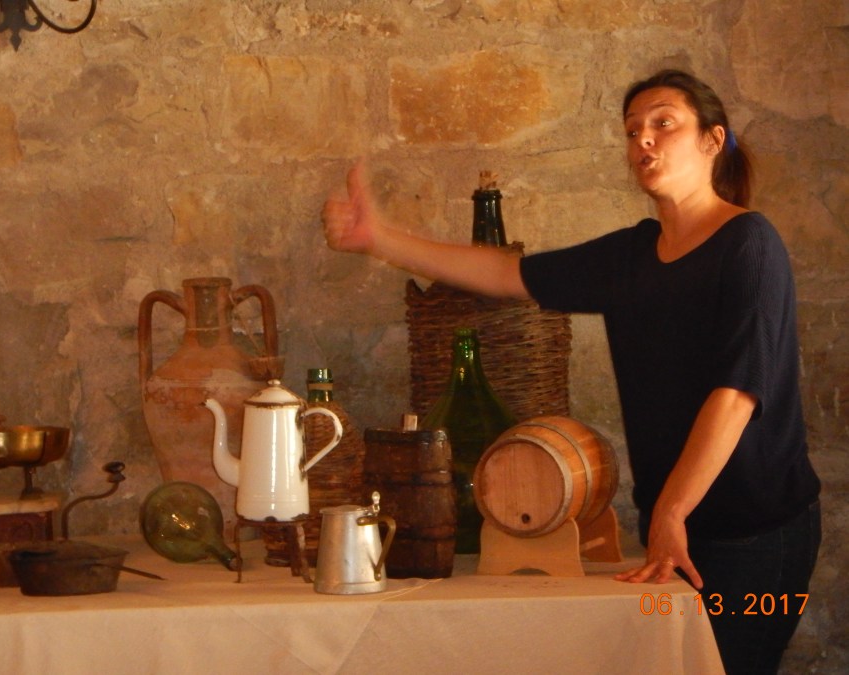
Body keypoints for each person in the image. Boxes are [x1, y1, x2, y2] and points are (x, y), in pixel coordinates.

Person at [319, 69, 821, 674]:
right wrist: (379, 238)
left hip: (758, 535)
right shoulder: (631, 256)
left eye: (664, 123)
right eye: (632, 130)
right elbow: (506, 274)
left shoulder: (748, 243)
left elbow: (736, 394)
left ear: (713, 140)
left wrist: (670, 512)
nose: (644, 140)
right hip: (681, 526)